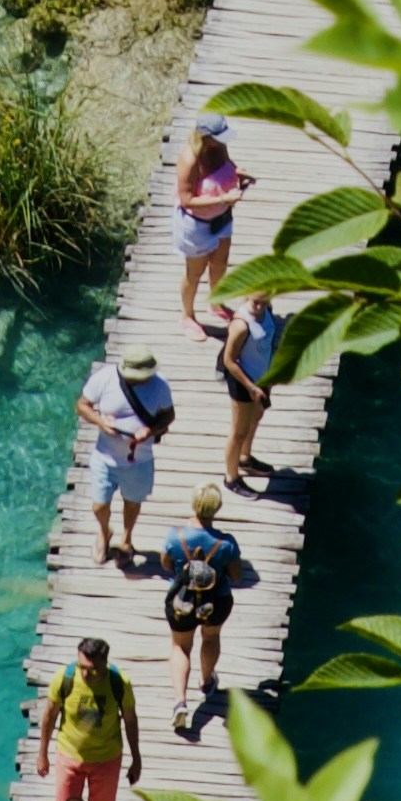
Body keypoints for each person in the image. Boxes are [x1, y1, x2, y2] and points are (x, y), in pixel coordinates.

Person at [157, 490, 260, 732]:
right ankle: (206, 681)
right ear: (217, 509)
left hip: (182, 601)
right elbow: (236, 576)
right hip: (216, 601)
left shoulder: (175, 536)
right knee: (211, 637)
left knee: (180, 646)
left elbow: (166, 564)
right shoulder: (227, 543)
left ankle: (180, 702)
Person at [78, 344, 174, 565]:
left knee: (132, 502)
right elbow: (82, 405)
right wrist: (101, 422)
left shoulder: (160, 385)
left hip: (139, 459)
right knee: (99, 505)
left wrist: (149, 431)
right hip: (105, 456)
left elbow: (168, 416)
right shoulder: (105, 378)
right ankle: (104, 532)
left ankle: (126, 539)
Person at [41, 631, 142, 801]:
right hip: (70, 756)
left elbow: (130, 720)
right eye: (82, 668)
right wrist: (42, 754)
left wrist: (136, 759)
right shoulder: (64, 678)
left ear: (105, 663)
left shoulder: (119, 683)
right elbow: (49, 715)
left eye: (93, 670)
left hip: (106, 758)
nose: (86, 674)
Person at [208, 286, 284, 488]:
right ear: (247, 296)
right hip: (243, 381)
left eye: (263, 302)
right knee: (238, 432)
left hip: (262, 377)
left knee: (257, 415)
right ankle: (231, 477)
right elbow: (229, 360)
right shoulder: (241, 324)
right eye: (254, 302)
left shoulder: (267, 309)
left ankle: (245, 458)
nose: (258, 307)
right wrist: (250, 387)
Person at [173, 118, 247, 319]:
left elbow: (228, 165)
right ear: (205, 137)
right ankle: (188, 315)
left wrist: (238, 174)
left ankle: (216, 303)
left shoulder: (220, 146)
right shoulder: (189, 160)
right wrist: (223, 198)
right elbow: (186, 200)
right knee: (194, 274)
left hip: (222, 219)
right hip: (197, 226)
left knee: (220, 264)